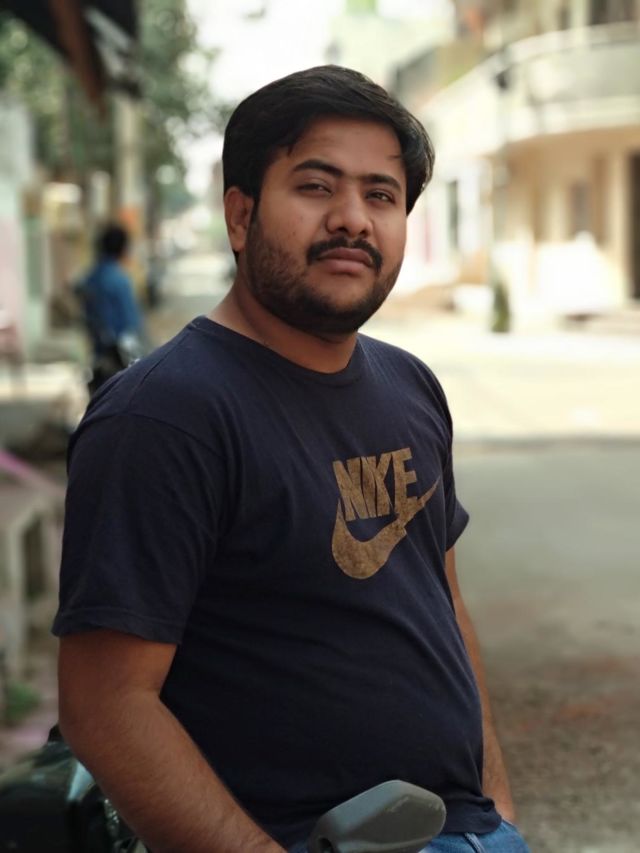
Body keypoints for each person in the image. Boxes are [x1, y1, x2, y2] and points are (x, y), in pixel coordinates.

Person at [53, 66, 530, 853]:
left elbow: (441, 600)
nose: (353, 219)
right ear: (240, 215)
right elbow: (106, 704)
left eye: (381, 195)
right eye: (316, 187)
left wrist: (496, 803)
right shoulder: (164, 417)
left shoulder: (411, 385)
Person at [76, 222, 144, 392]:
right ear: (123, 248)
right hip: (120, 357)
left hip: (99, 355)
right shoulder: (119, 280)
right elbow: (131, 324)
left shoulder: (89, 279)